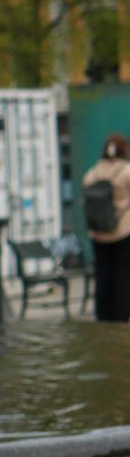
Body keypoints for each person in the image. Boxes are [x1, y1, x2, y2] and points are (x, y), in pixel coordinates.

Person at [83, 132, 130, 322]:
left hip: (98, 232)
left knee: (102, 274)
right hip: (123, 231)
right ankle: (121, 315)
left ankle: (103, 315)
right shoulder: (126, 170)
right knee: (123, 274)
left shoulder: (93, 172)